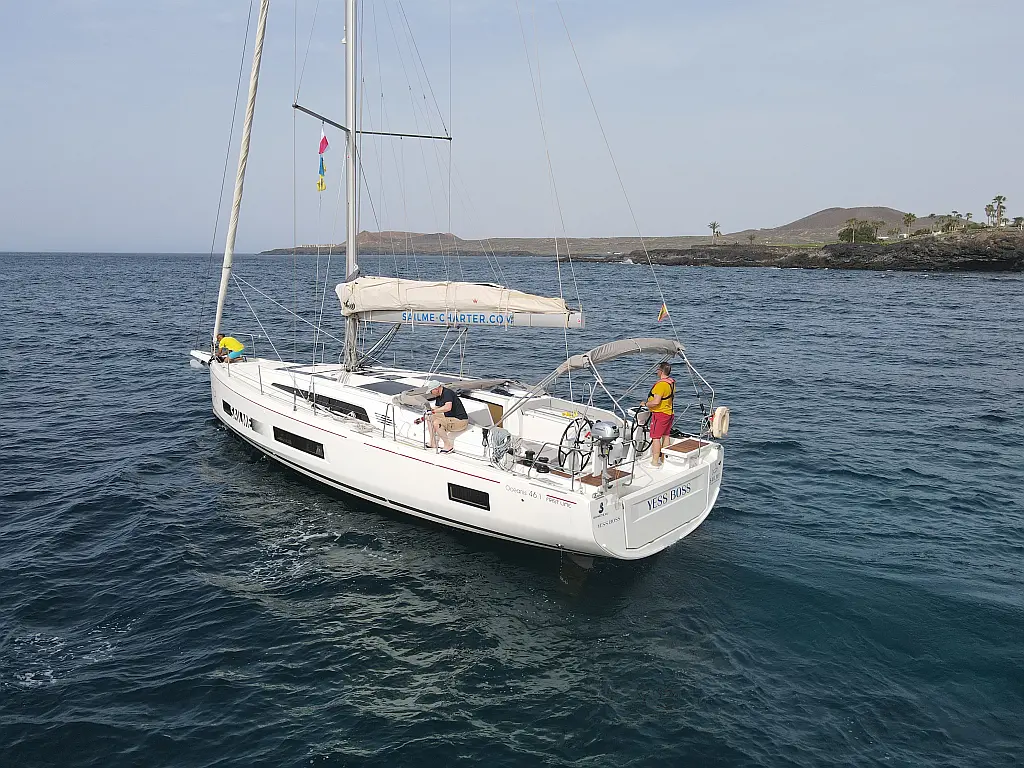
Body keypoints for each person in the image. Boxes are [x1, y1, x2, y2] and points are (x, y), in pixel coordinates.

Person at [422, 380, 469, 453]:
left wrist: (433, 411)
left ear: (436, 389)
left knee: (437, 423)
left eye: (431, 391)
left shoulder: (447, 393)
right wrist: (423, 417)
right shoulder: (438, 395)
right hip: (450, 418)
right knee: (429, 417)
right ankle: (432, 442)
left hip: (460, 421)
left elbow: (448, 407)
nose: (431, 393)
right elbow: (437, 408)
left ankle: (448, 446)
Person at [644, 361, 675, 467]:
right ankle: (664, 459)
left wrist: (646, 404)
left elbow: (656, 402)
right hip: (669, 413)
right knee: (666, 436)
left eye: (658, 370)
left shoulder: (661, 385)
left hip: (660, 414)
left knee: (656, 437)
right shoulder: (671, 383)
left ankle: (655, 461)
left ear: (661, 371)